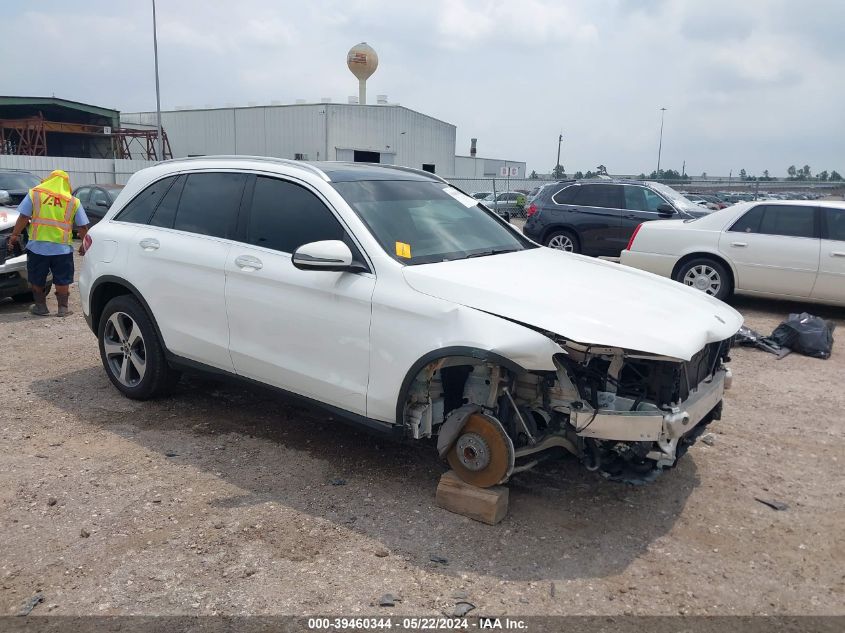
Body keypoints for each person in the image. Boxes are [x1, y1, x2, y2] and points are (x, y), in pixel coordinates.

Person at [7, 170, 89, 317]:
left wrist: (14, 235)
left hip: (38, 247)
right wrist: (84, 244)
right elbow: (82, 227)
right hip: (62, 249)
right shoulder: (72, 201)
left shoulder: (35, 194)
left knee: (37, 277)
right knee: (63, 278)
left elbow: (24, 216)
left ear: (49, 180)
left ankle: (41, 307)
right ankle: (63, 308)